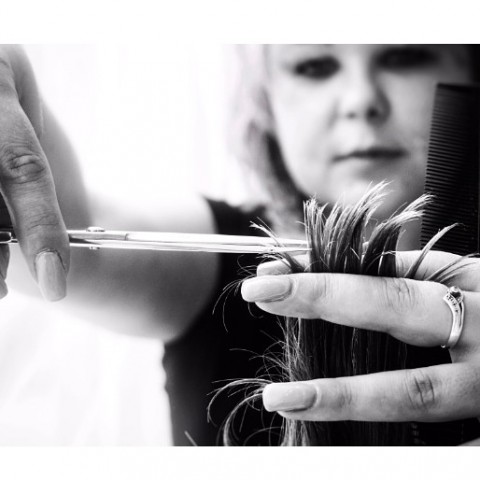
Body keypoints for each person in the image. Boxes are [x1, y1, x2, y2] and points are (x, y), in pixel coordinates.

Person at [0, 44, 479, 445]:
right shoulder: (221, 253)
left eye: (405, 56)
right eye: (314, 66)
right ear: (267, 102)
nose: (360, 100)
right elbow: (58, 228)